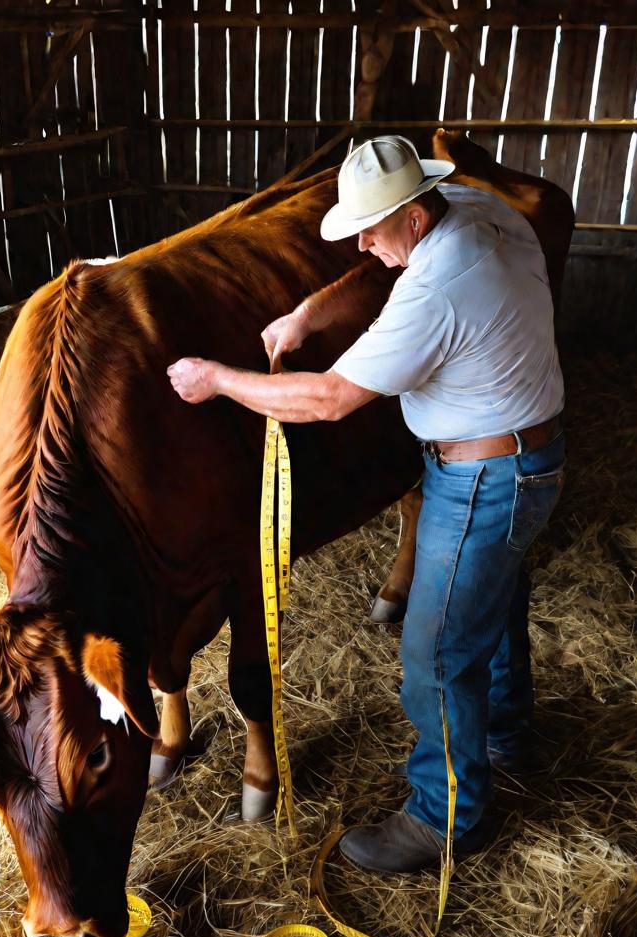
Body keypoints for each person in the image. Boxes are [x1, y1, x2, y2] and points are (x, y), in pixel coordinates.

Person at [167, 135, 565, 874]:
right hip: (528, 456)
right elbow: (374, 275)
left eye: (372, 228)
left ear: (413, 217)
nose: (360, 240)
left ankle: (445, 818)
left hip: (484, 475)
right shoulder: (472, 208)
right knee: (495, 603)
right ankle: (504, 733)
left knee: (436, 647)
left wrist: (218, 379)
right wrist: (307, 317)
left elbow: (328, 398)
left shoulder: (442, 281)